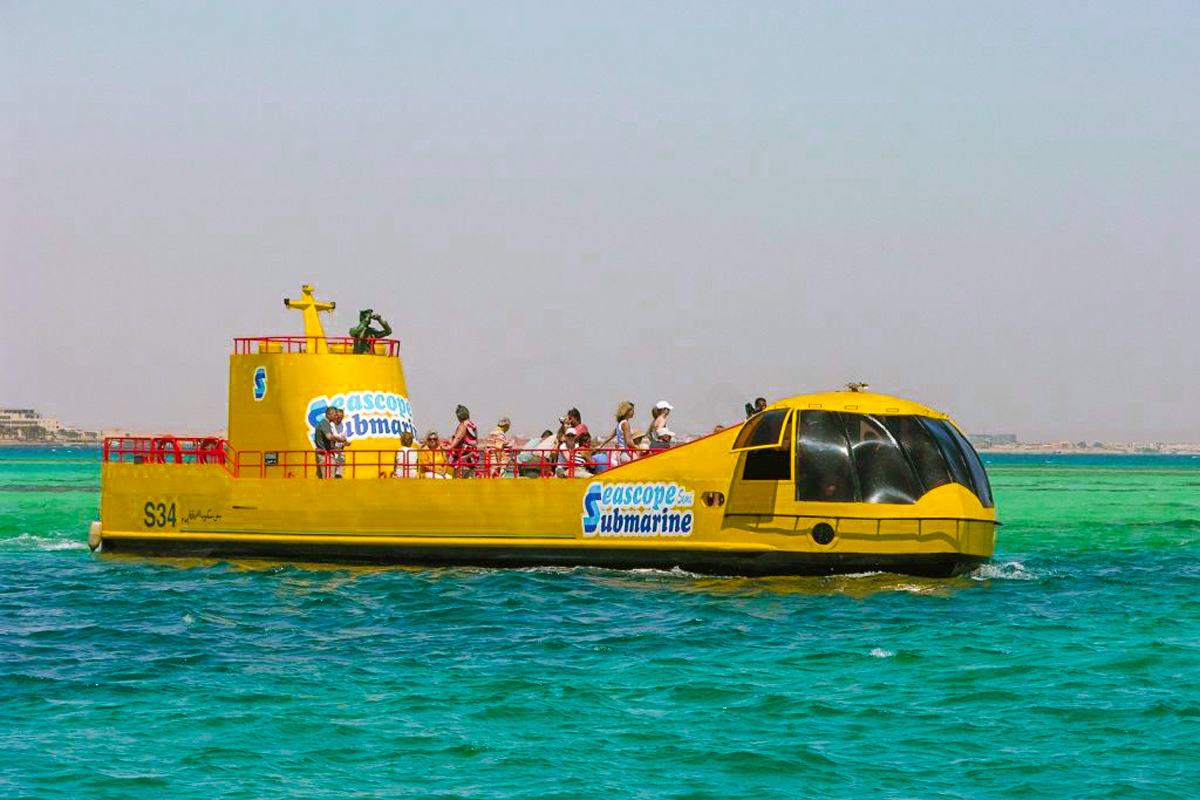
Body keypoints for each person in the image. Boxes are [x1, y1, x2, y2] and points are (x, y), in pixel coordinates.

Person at [596, 401, 637, 466]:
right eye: (632, 410)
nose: (633, 413)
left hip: (620, 454)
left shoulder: (619, 423)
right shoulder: (625, 423)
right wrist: (637, 448)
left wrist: (601, 445)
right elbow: (628, 441)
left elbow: (611, 436)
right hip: (626, 453)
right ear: (627, 411)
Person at [314, 406, 349, 478]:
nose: (336, 417)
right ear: (329, 414)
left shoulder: (322, 423)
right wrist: (339, 439)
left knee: (325, 478)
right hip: (326, 456)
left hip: (324, 454)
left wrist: (337, 447)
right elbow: (329, 437)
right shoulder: (325, 423)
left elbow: (324, 441)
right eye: (335, 415)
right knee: (329, 479)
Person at [445, 404, 479, 478]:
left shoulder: (463, 425)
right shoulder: (472, 425)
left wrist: (450, 446)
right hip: (473, 455)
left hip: (464, 456)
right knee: (469, 477)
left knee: (457, 478)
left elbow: (458, 438)